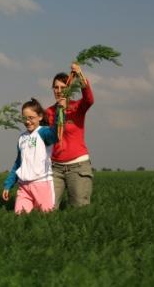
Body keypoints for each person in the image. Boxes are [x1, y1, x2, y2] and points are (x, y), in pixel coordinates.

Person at [46, 63, 94, 208]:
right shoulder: (49, 112)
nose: (59, 90)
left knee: (79, 209)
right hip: (55, 168)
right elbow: (46, 137)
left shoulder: (77, 107)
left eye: (63, 87)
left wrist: (80, 75)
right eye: (56, 87)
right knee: (47, 207)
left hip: (78, 166)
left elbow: (89, 99)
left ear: (69, 89)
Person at [2, 98, 57, 214]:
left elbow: (55, 135)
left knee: (46, 218)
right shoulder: (22, 138)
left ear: (40, 117)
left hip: (42, 185)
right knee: (20, 217)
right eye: (24, 118)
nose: (27, 122)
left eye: (31, 118)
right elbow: (18, 164)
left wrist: (60, 113)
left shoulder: (44, 132)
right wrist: (8, 185)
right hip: (24, 187)